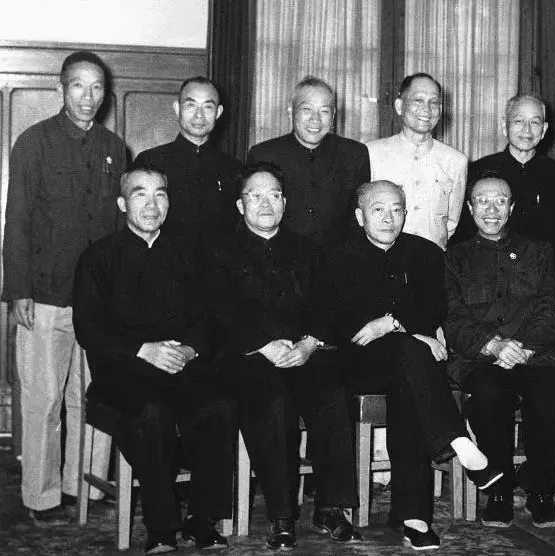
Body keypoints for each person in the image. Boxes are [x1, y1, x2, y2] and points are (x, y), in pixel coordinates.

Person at [315, 180, 502, 551]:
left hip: (405, 360)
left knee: (411, 381)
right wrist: (410, 332)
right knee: (415, 359)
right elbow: (338, 320)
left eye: (396, 209)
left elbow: (434, 309)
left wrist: (392, 323)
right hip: (354, 362)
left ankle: (414, 517)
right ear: (360, 216)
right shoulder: (336, 255)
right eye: (378, 210)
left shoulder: (425, 253)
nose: (389, 218)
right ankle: (455, 440)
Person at [73, 165, 235, 554]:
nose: (151, 204)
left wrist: (190, 349)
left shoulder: (190, 254)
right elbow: (88, 329)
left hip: (181, 367)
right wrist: (143, 349)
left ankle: (202, 519)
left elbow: (209, 318)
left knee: (220, 405)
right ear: (121, 204)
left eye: (160, 194)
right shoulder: (98, 257)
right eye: (140, 194)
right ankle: (161, 528)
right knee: (151, 413)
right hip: (122, 373)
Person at [207, 163, 361, 550]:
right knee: (273, 401)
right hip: (246, 356)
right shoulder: (218, 250)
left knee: (333, 393)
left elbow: (328, 306)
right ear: (240, 205)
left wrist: (309, 343)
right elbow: (216, 312)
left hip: (301, 353)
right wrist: (262, 344)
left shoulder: (308, 249)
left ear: (285, 203)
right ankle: (282, 515)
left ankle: (331, 508)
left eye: (274, 195)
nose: (265, 203)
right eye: (255, 196)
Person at [2, 50, 126, 526]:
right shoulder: (33, 143)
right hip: (45, 295)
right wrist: (19, 290)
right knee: (43, 400)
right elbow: (17, 221)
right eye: (78, 85)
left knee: (93, 397)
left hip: (98, 302)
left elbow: (119, 229)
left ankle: (85, 486)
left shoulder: (115, 148)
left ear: (105, 94)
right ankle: (41, 496)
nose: (88, 97)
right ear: (61, 88)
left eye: (97, 88)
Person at [445, 172, 555, 528]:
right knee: (487, 394)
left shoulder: (540, 252)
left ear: (512, 207)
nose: (492, 209)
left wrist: (524, 348)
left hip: (536, 356)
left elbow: (551, 310)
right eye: (483, 201)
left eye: (500, 201)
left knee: (546, 399)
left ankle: (541, 492)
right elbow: (453, 318)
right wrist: (493, 345)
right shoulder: (454, 258)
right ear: (470, 209)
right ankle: (498, 491)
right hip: (481, 358)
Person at [247, 75, 370, 246]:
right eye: (307, 109)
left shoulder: (355, 154)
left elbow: (360, 216)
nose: (315, 119)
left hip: (338, 256)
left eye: (324, 111)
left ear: (333, 116)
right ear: (290, 111)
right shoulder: (264, 154)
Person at [452, 95, 555, 254]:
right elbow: (464, 233)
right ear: (504, 125)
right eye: (518, 121)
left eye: (534, 122)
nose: (526, 130)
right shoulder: (477, 171)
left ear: (544, 129)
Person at [135, 76, 243, 241]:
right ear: (177, 108)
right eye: (191, 105)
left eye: (208, 107)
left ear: (218, 112)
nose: (199, 115)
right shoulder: (150, 161)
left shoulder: (234, 169)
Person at [367, 73, 467, 250]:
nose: (426, 109)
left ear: (440, 110)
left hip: (432, 259)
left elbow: (450, 223)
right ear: (399, 106)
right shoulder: (371, 153)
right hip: (381, 258)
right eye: (418, 100)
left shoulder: (455, 161)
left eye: (433, 102)